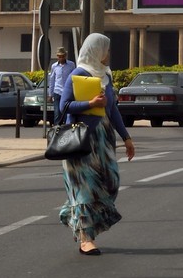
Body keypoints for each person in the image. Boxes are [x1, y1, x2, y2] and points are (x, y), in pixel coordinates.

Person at [57, 32, 135, 256]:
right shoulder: (77, 74)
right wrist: (89, 103)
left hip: (104, 140)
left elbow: (113, 111)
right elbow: (64, 107)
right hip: (81, 141)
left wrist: (126, 137)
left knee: (111, 182)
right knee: (85, 189)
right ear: (96, 51)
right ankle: (85, 239)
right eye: (106, 50)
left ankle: (73, 214)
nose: (108, 54)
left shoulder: (105, 77)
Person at [48, 47, 75, 124]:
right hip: (57, 92)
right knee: (57, 114)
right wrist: (50, 94)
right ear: (57, 57)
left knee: (67, 113)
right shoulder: (54, 66)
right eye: (59, 56)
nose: (61, 58)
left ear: (65, 56)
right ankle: (57, 130)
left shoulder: (71, 65)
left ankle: (66, 130)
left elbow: (74, 79)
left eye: (63, 56)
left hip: (67, 92)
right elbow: (52, 80)